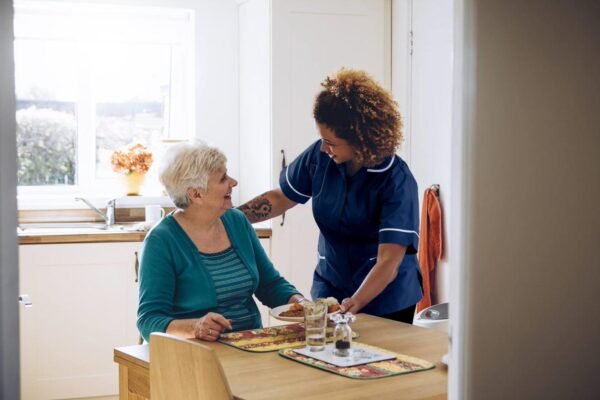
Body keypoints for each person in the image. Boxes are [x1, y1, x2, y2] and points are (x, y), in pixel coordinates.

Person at [238, 68, 422, 323]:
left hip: (386, 299)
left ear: (360, 139)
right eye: (322, 139)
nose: (324, 147)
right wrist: (231, 217)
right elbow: (281, 198)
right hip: (331, 286)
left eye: (332, 142)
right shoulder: (320, 156)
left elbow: (389, 261)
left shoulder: (396, 181)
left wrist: (355, 302)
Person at [137, 141, 304, 342]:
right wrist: (196, 327)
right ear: (196, 194)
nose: (233, 182)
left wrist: (301, 304)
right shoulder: (161, 240)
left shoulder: (237, 221)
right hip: (193, 353)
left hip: (249, 345)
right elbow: (149, 320)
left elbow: (270, 285)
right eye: (223, 178)